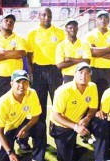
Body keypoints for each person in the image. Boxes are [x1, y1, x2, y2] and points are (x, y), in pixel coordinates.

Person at [50, 62, 110, 161]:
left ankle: (101, 159)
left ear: (90, 76)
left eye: (87, 73)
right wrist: (76, 127)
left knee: (101, 122)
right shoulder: (63, 90)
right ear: (75, 74)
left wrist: (88, 118)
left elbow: (93, 108)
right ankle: (75, 144)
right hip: (63, 126)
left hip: (82, 120)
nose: (83, 76)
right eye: (80, 73)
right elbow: (55, 115)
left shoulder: (92, 86)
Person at [0, 13, 29, 153]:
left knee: (22, 109)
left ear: (14, 25)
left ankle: (22, 141)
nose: (9, 23)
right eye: (6, 20)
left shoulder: (19, 38)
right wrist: (10, 53)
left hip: (17, 80)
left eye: (11, 21)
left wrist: (1, 53)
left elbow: (21, 54)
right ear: (1, 22)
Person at [0, 70, 48, 161]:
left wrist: (26, 128)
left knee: (40, 126)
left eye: (25, 82)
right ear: (11, 84)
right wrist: (10, 152)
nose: (21, 86)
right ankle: (9, 147)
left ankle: (37, 159)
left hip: (20, 124)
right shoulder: (3, 102)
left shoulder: (32, 93)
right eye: (18, 82)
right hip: (5, 131)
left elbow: (35, 116)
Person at [26, 7, 65, 135]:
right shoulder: (32, 33)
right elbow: (29, 55)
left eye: (49, 15)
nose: (46, 18)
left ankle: (57, 131)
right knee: (40, 104)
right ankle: (39, 134)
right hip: (39, 71)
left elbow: (64, 50)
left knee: (58, 102)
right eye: (43, 15)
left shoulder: (59, 32)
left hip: (55, 70)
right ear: (39, 16)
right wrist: (31, 73)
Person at [85, 10, 110, 101]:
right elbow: (92, 53)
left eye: (106, 18)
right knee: (95, 95)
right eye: (100, 18)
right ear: (96, 20)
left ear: (109, 21)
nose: (103, 20)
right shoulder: (90, 35)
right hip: (95, 69)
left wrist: (98, 52)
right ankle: (96, 115)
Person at [55, 19, 91, 83]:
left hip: (82, 75)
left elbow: (87, 61)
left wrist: (70, 59)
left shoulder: (84, 44)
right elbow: (59, 65)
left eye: (75, 27)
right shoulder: (61, 45)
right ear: (66, 29)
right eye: (70, 28)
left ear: (77, 28)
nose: (73, 30)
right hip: (67, 76)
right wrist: (79, 60)